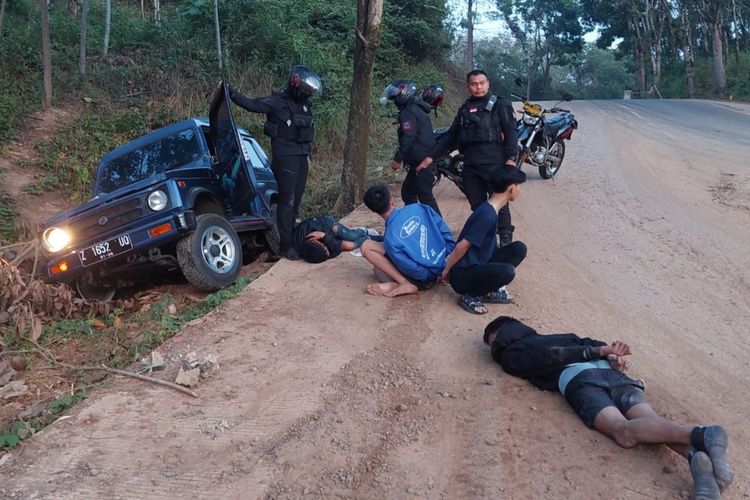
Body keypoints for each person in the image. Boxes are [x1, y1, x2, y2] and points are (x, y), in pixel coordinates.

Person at [483, 316, 734, 500]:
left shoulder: (512, 352)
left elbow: (551, 357)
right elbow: (594, 344)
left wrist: (598, 351)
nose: (495, 349)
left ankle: (702, 433)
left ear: (501, 336)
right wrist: (609, 355)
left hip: (580, 380)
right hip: (613, 376)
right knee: (651, 423)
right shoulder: (564, 336)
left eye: (493, 343)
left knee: (623, 431)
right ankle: (701, 467)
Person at [230, 65, 322, 260]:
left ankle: (291, 240)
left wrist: (308, 155)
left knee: (295, 202)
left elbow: (306, 134)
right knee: (286, 202)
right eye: (306, 90)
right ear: (296, 83)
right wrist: (231, 93)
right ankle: (285, 247)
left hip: (301, 157)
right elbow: (252, 105)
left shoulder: (305, 106)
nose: (307, 94)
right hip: (285, 157)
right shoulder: (277, 102)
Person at [417, 69, 518, 246]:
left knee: (500, 203)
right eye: (474, 84)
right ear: (468, 86)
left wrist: (510, 159)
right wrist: (431, 157)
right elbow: (451, 136)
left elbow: (510, 132)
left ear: (488, 84)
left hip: (495, 164)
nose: (478, 87)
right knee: (478, 207)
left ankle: (505, 240)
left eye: (482, 83)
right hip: (470, 166)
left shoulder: (500, 105)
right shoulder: (465, 109)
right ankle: (488, 241)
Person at [441, 166, 527, 314]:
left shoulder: (492, 210)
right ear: (511, 188)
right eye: (519, 185)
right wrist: (446, 270)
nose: (520, 190)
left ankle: (489, 289)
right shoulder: (486, 215)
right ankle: (471, 295)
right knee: (507, 272)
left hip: (479, 263)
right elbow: (462, 246)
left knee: (519, 248)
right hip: (462, 276)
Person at [360, 185, 455, 298]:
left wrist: (431, 275)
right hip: (447, 262)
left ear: (374, 211)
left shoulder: (390, 238)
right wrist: (447, 261)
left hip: (426, 278)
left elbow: (411, 268)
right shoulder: (419, 208)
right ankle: (398, 283)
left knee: (375, 263)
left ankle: (403, 284)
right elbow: (446, 232)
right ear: (391, 200)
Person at [380, 80, 440, 215]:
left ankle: (440, 230)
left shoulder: (408, 112)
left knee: (425, 197)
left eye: (395, 97)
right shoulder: (416, 108)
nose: (395, 101)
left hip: (421, 161)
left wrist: (398, 157)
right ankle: (417, 222)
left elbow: (409, 136)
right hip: (420, 159)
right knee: (408, 192)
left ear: (404, 93)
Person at [292, 215, 375, 264]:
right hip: (327, 235)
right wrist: (324, 236)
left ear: (314, 241)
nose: (325, 247)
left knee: (352, 236)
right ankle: (368, 237)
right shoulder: (314, 253)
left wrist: (324, 236)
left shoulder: (302, 235)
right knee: (351, 245)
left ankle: (363, 230)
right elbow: (335, 250)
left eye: (324, 246)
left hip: (325, 223)